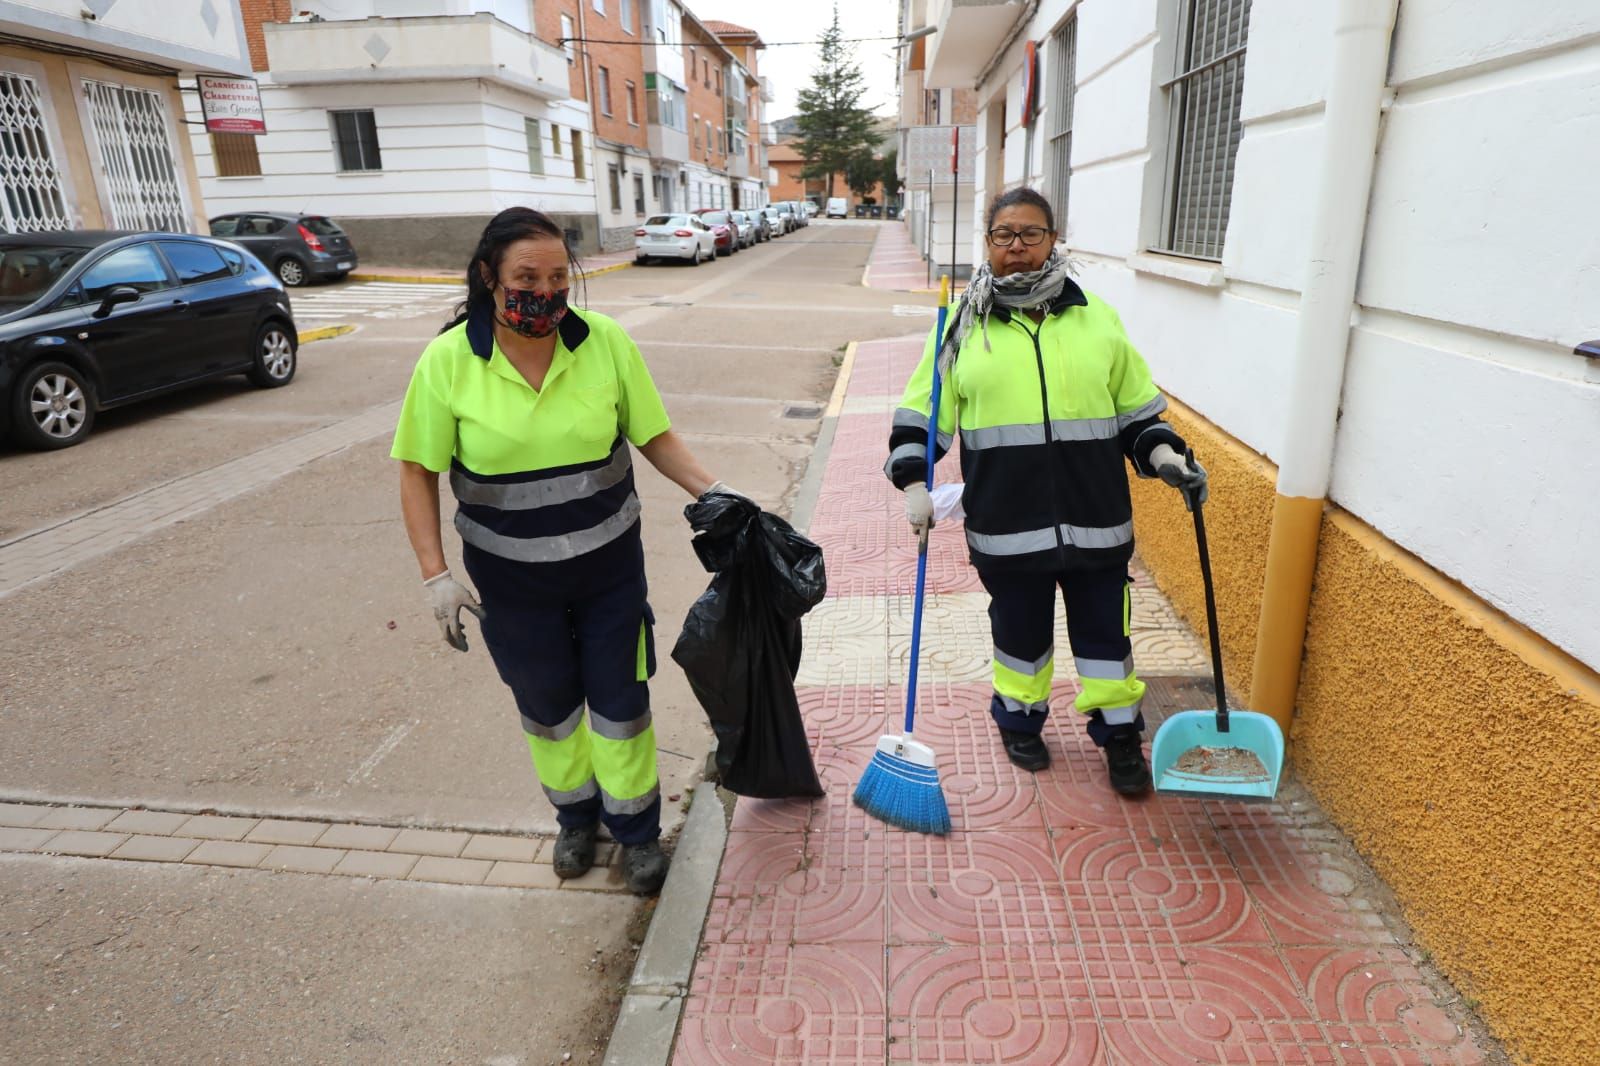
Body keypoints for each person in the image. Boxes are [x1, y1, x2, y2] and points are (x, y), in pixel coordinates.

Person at [392, 207, 734, 894]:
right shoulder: (449, 360)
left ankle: (636, 833)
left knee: (620, 702)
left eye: (556, 278)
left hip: (609, 570)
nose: (543, 291)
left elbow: (654, 437)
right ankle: (576, 818)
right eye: (525, 277)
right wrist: (436, 575)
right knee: (548, 709)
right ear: (489, 275)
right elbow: (416, 470)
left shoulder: (603, 342)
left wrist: (719, 492)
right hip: (513, 584)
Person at [884, 188, 1207, 795]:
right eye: (1004, 235)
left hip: (1097, 519)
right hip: (1006, 523)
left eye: (1031, 235)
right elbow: (923, 415)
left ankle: (1119, 739)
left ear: (1054, 240)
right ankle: (1021, 722)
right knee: (1019, 637)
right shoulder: (960, 327)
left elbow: (1136, 413)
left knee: (1108, 642)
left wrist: (1163, 456)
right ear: (987, 243)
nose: (1018, 248)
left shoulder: (1097, 319)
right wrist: (912, 482)